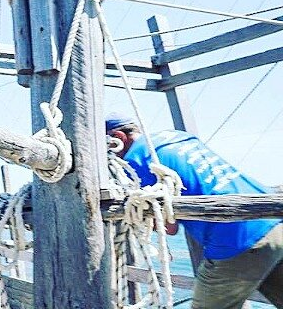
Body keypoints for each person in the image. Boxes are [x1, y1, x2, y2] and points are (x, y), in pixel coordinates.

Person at [105, 113, 283, 309]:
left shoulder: (136, 161)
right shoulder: (177, 136)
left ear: (118, 138)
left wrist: (137, 214)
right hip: (274, 222)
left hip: (237, 240)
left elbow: (169, 227)